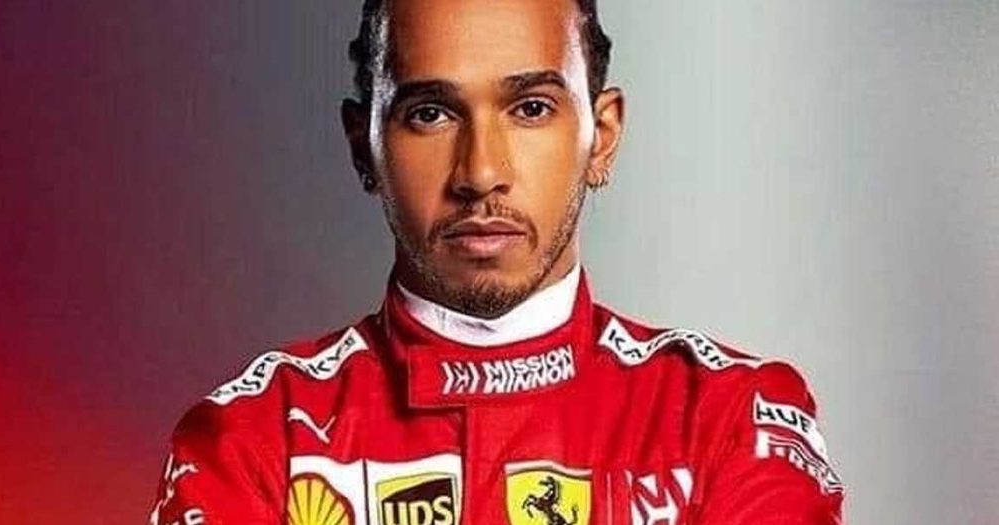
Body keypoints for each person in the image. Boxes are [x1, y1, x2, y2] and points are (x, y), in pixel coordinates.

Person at [149, 0, 845, 523]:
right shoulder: (254, 438)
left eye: (531, 108)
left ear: (601, 136)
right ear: (365, 147)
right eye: (431, 113)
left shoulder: (731, 417)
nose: (481, 172)